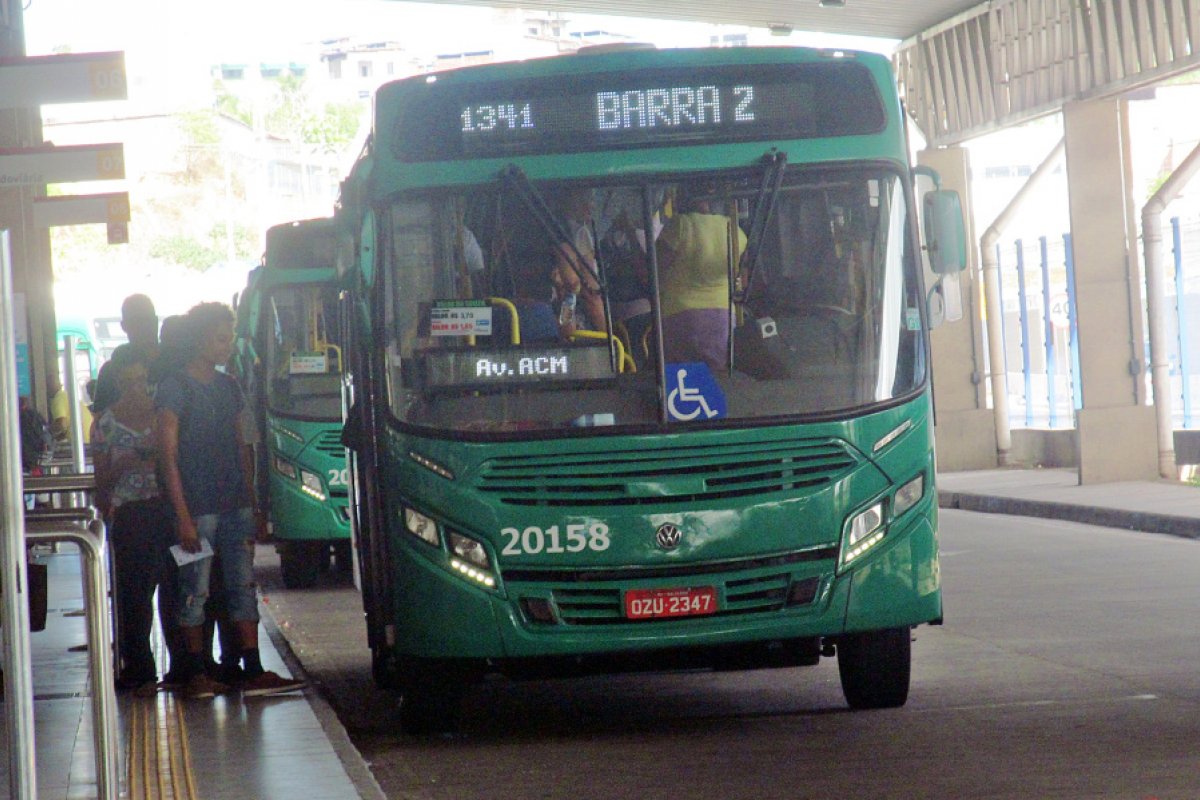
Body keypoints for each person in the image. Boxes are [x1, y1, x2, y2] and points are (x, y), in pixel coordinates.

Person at [156, 301, 304, 699]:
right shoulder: (174, 388)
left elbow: (243, 446)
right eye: (222, 337)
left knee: (242, 584)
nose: (228, 344)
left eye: (230, 336)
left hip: (233, 503)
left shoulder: (229, 386)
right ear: (201, 338)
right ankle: (197, 671)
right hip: (198, 508)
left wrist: (252, 503)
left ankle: (252, 668)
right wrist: (182, 515)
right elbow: (167, 456)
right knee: (195, 589)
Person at [92, 350, 176, 695]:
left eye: (142, 380)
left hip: (167, 507)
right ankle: (139, 667)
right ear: (117, 383)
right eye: (129, 381)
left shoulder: (163, 415)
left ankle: (185, 663)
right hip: (129, 513)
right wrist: (123, 464)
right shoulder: (105, 424)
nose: (138, 388)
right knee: (134, 594)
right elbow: (101, 483)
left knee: (174, 586)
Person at [655, 185, 748, 371]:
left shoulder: (679, 224)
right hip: (724, 316)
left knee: (683, 380)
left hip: (680, 316)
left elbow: (654, 267)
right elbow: (743, 277)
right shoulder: (734, 228)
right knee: (719, 378)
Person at [93, 294, 159, 415]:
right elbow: (100, 420)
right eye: (137, 322)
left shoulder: (175, 363)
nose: (144, 327)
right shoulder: (110, 371)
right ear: (124, 326)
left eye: (148, 320)